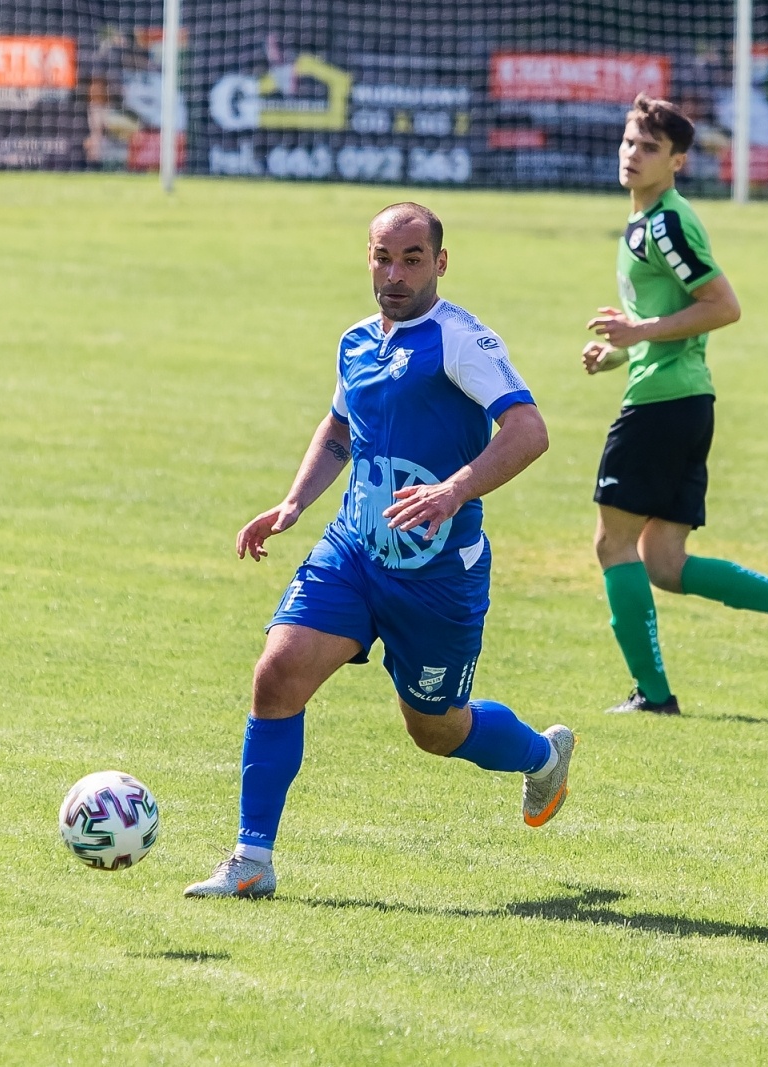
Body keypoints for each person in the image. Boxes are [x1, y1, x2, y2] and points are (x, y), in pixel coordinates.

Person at [184, 203, 575, 899]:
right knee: (276, 674)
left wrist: (455, 489)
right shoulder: (357, 342)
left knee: (436, 730)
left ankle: (542, 754)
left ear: (440, 263)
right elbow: (339, 428)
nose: (395, 275)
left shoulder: (460, 341)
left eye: (413, 259)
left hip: (435, 579)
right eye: (383, 258)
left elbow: (528, 429)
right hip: (355, 554)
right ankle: (251, 859)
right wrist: (294, 502)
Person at [581, 94, 768, 716]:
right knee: (664, 563)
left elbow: (723, 306)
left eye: (649, 148)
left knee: (612, 545)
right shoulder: (644, 222)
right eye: (628, 143)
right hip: (684, 400)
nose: (633, 155)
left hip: (662, 407)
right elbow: (673, 322)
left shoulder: (666, 223)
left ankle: (655, 696)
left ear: (678, 161)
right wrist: (622, 349)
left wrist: (639, 336)